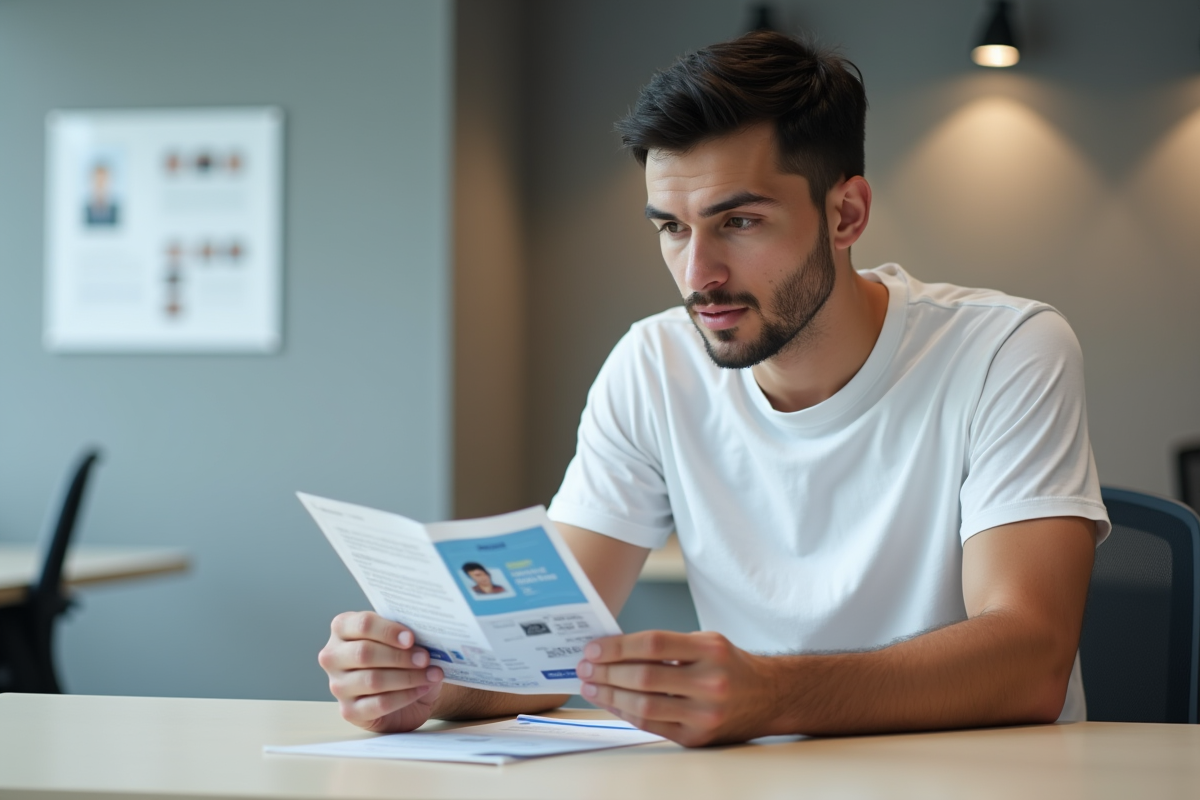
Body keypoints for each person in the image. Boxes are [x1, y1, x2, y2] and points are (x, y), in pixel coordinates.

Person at [318, 31, 1110, 746]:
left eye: (739, 222)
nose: (698, 276)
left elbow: (1030, 658)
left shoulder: (1007, 349)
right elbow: (543, 642)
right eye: (671, 227)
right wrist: (423, 681)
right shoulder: (654, 365)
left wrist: (773, 695)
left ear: (847, 212)